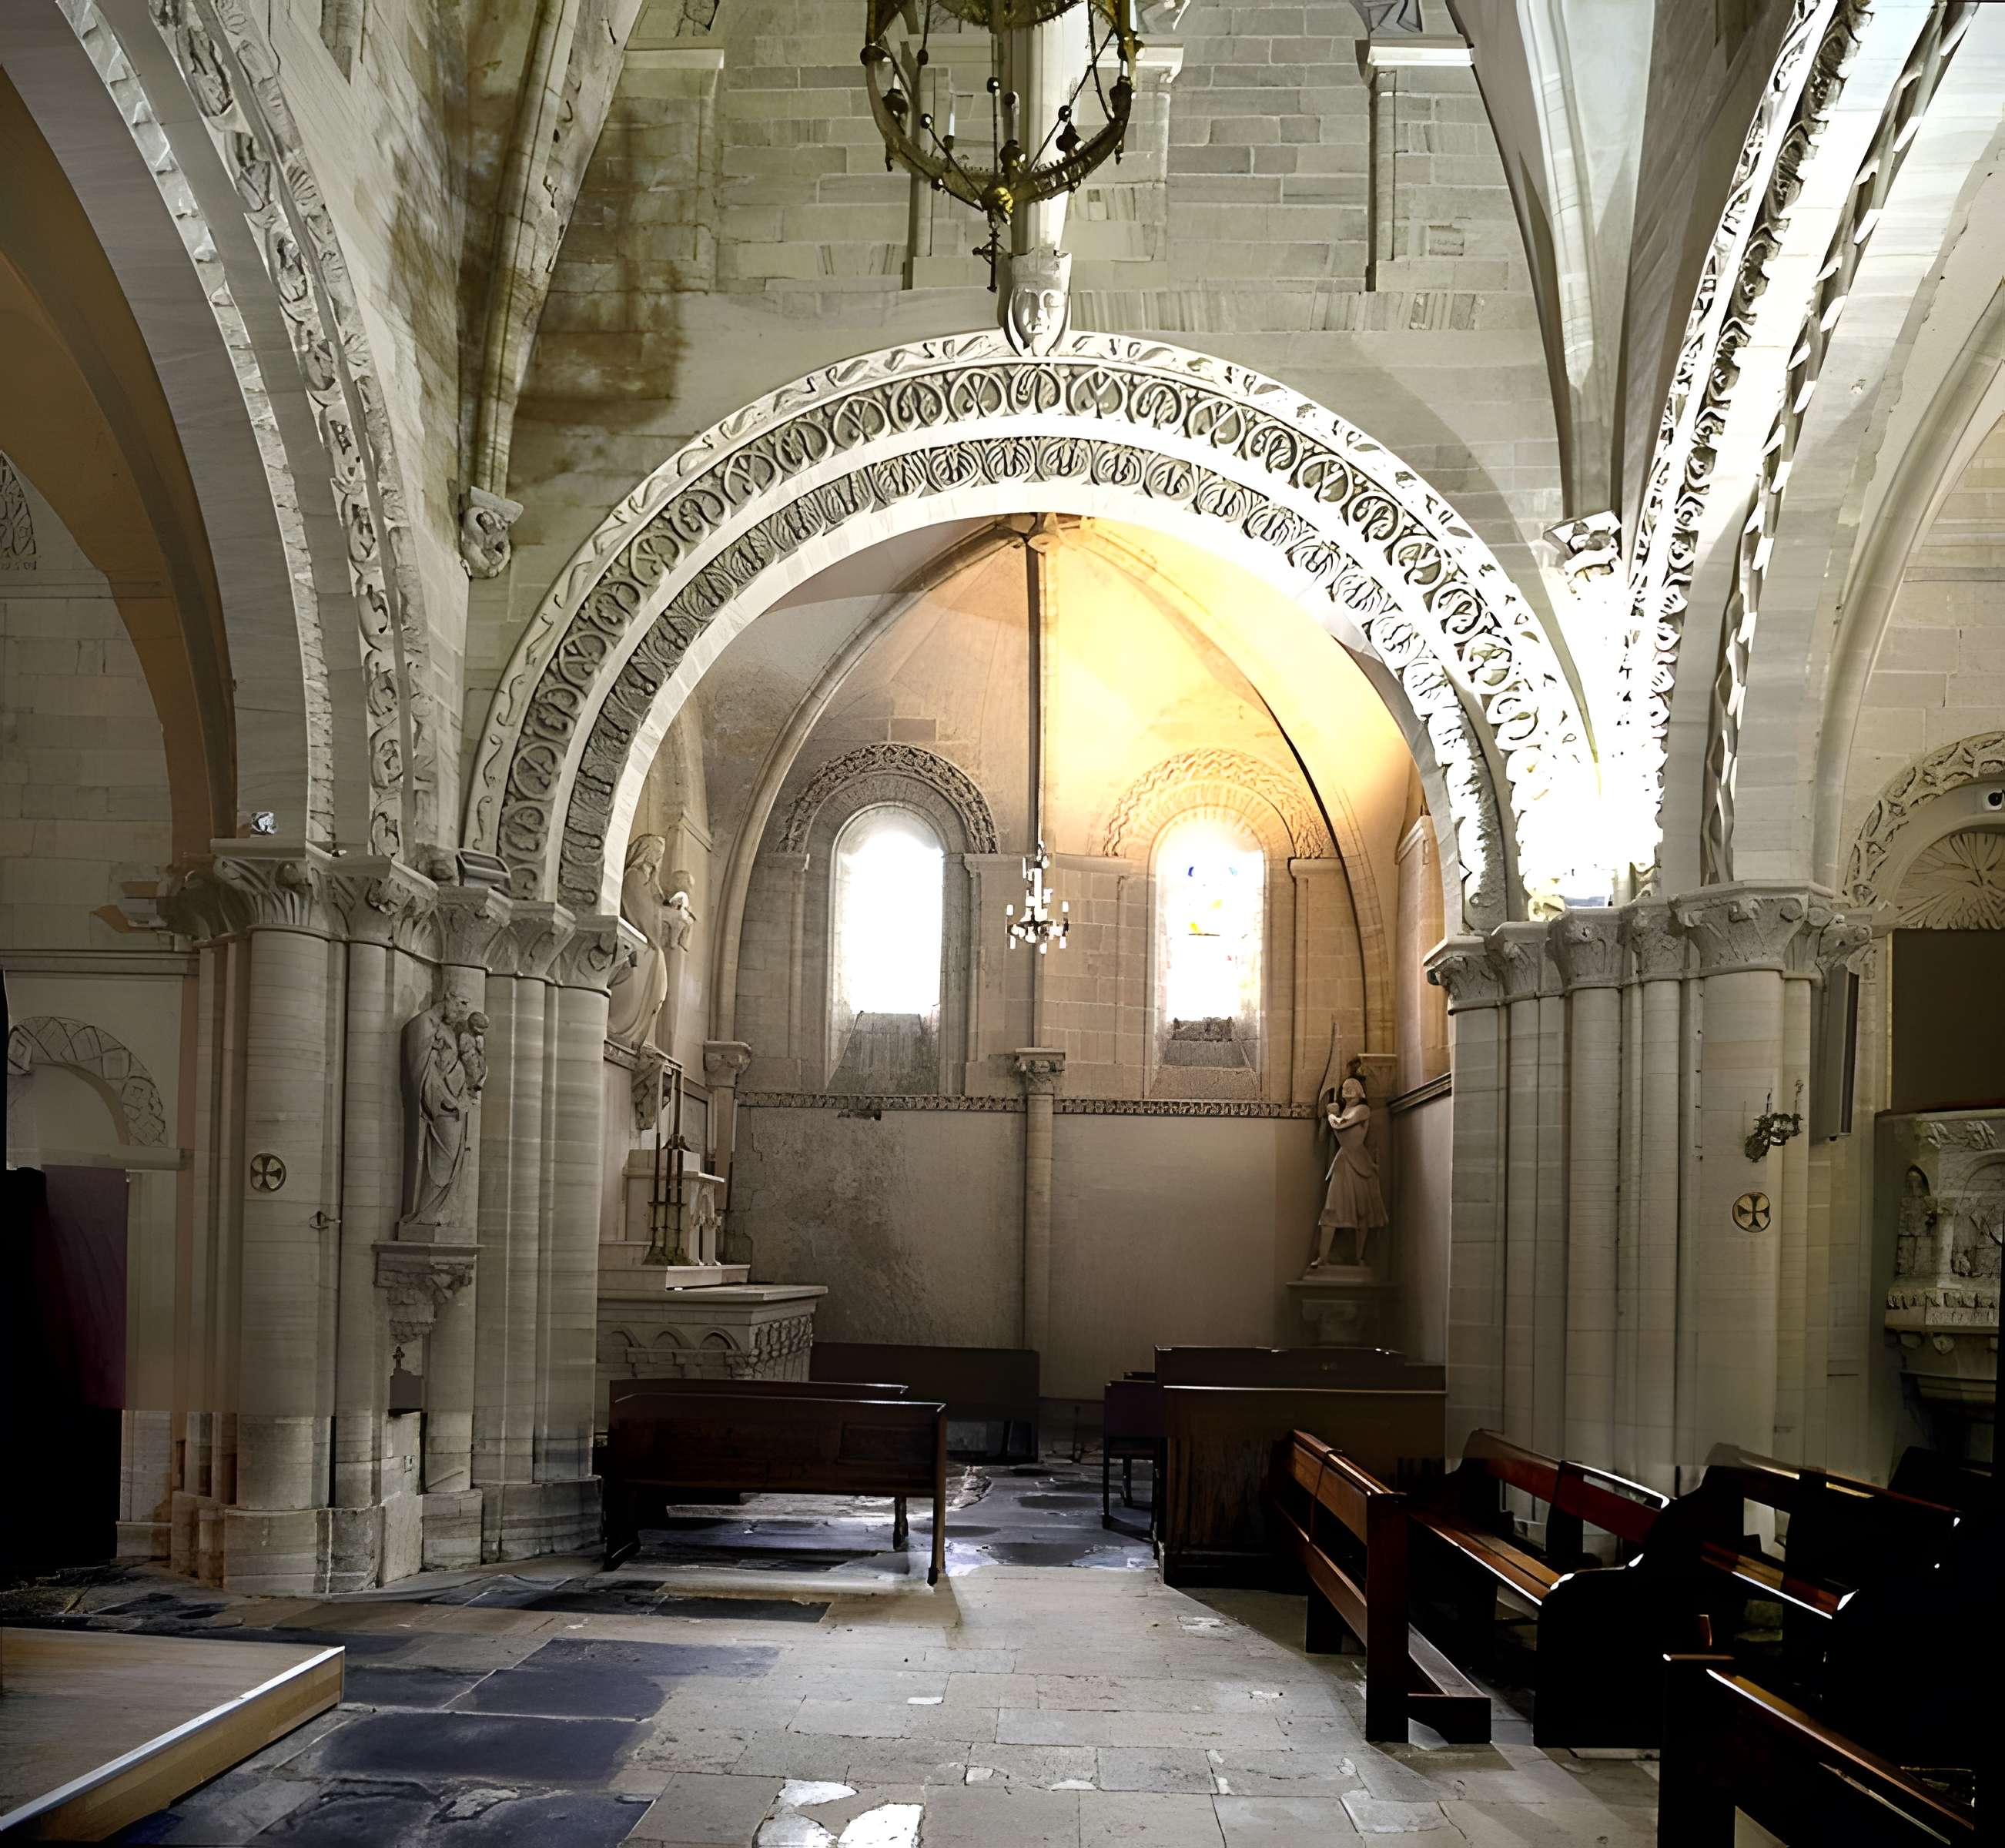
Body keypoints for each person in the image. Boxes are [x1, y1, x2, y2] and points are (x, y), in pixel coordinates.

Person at [1307, 1075, 1389, 1274]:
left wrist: (1332, 1116)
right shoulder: (1344, 1110)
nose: (1348, 1089)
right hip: (1344, 1162)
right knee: (1331, 1210)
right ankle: (1323, 1257)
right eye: (1345, 1087)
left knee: (1364, 1213)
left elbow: (1342, 1123)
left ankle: (1359, 1257)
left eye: (1352, 1086)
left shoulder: (1362, 1110)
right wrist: (1334, 1114)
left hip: (1360, 1164)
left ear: (1360, 1091)